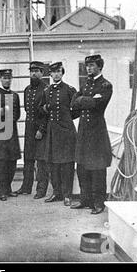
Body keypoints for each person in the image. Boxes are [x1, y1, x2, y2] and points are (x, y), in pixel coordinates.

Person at [70, 54, 113, 215]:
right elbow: (73, 104)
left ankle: (98, 203)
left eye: (92, 65)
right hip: (84, 132)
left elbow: (98, 104)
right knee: (82, 168)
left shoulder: (105, 85)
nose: (88, 68)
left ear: (100, 67)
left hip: (97, 133)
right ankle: (85, 200)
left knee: (97, 169)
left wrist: (82, 100)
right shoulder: (86, 84)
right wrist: (85, 100)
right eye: (87, 65)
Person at [42, 62, 79, 206]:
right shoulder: (47, 91)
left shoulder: (70, 90)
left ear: (62, 73)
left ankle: (67, 195)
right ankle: (56, 192)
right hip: (52, 132)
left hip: (66, 132)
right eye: (53, 72)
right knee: (53, 164)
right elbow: (43, 109)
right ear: (50, 74)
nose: (56, 74)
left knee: (67, 164)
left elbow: (76, 111)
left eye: (59, 71)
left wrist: (65, 120)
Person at [16, 61, 50, 199]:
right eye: (32, 71)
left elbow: (47, 113)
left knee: (41, 161)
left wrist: (41, 129)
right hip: (29, 127)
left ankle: (41, 189)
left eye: (37, 71)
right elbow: (27, 110)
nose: (34, 73)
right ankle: (26, 187)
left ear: (42, 73)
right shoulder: (27, 90)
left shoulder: (47, 89)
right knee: (28, 158)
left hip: (41, 128)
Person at [0, 69, 21, 201]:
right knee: (1, 164)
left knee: (11, 163)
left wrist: (4, 112)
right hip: (0, 134)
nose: (7, 80)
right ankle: (1, 191)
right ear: (0, 79)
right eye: (4, 78)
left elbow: (17, 114)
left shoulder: (15, 95)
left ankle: (8, 189)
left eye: (9, 78)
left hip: (12, 134)